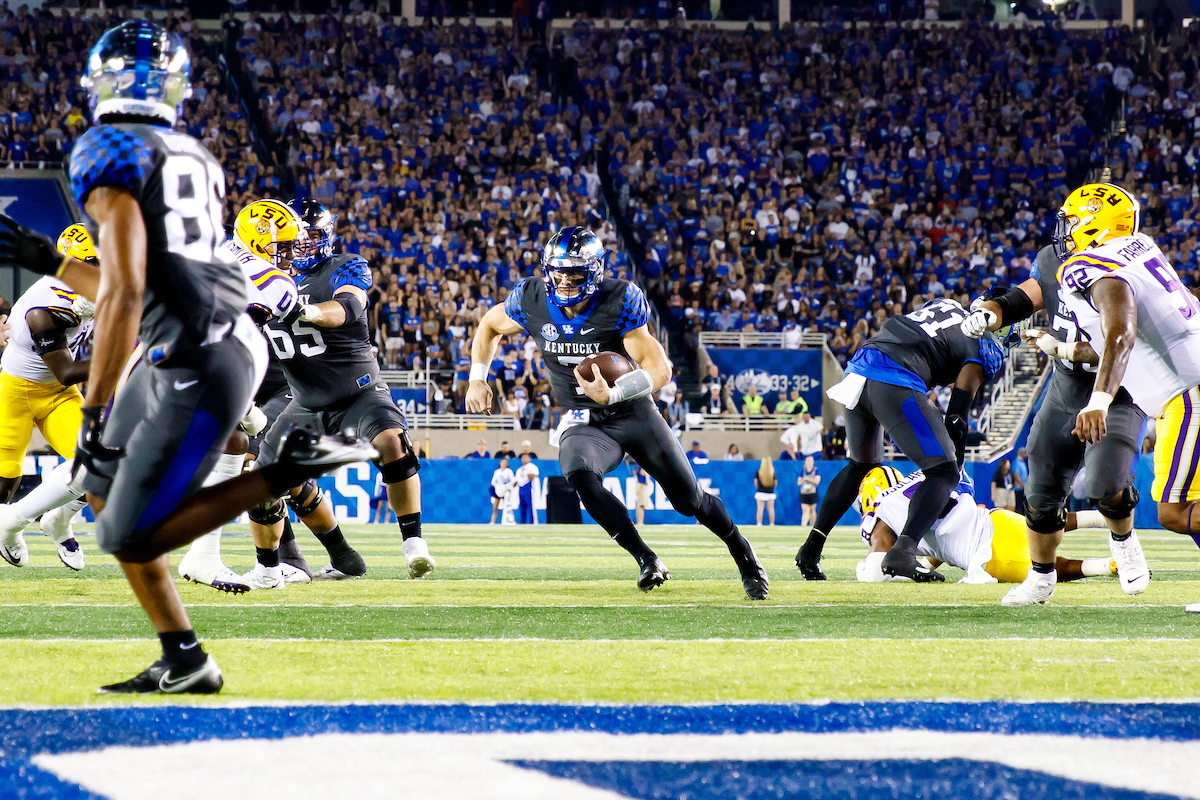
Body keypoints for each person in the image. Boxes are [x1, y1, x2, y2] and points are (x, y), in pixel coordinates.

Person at [0, 20, 374, 694]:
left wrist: (95, 406)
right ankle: (186, 656)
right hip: (207, 335)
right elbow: (140, 283)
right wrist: (44, 258)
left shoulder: (104, 148)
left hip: (201, 348)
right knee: (102, 495)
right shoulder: (196, 155)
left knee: (128, 527)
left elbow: (124, 295)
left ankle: (281, 474)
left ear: (98, 79)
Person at [466, 226, 768, 599]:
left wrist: (615, 392)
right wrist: (477, 378)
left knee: (689, 501)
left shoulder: (619, 300)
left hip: (632, 412)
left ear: (594, 270)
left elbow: (661, 369)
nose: (563, 279)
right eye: (557, 270)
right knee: (578, 471)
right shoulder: (531, 298)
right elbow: (489, 325)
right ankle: (647, 559)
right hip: (586, 418)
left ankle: (744, 553)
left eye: (573, 271)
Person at [960, 184, 1155, 606]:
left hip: (1117, 388)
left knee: (1106, 482)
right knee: (1042, 488)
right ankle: (1041, 577)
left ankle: (1124, 542)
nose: (1062, 230)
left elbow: (1117, 340)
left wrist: (1062, 350)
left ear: (1093, 227)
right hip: (1066, 385)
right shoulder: (1055, 260)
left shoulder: (1121, 270)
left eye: (1072, 222)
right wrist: (990, 315)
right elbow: (1025, 296)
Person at [246, 197, 434, 587]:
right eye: (292, 238)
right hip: (304, 402)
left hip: (358, 392)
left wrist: (305, 310)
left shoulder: (344, 266)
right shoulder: (259, 280)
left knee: (391, 441)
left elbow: (347, 306)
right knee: (260, 483)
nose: (300, 245)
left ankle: (413, 543)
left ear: (327, 236)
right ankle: (268, 569)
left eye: (310, 236)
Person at [796, 291, 1008, 582]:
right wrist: (954, 468)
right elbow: (957, 417)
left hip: (860, 366)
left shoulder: (945, 305)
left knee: (859, 465)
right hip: (894, 375)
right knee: (942, 472)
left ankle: (811, 548)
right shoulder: (983, 343)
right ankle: (903, 551)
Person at [0, 225, 95, 570]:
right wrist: (125, 355)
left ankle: (59, 521)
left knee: (95, 463)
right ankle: (8, 531)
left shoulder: (83, 294)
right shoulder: (45, 309)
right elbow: (67, 371)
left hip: (58, 395)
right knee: (5, 476)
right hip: (19, 389)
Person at [855, 467, 1117, 584]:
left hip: (989, 555)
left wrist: (861, 569)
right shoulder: (923, 477)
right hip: (997, 519)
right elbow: (939, 544)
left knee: (1047, 567)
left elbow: (876, 574)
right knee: (1041, 524)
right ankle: (1101, 518)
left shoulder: (884, 509)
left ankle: (1104, 566)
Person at [514, 451, 540, 524]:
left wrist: (525, 472)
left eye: (525, 457)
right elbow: (516, 480)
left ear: (529, 459)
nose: (524, 459)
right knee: (522, 507)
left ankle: (533, 522)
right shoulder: (519, 469)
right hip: (521, 489)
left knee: (530, 506)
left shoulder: (532, 467)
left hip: (529, 489)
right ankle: (522, 522)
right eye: (523, 458)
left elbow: (532, 477)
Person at [489, 456, 514, 524]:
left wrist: (507, 487)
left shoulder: (509, 471)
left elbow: (512, 481)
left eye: (505, 462)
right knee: (495, 507)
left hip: (505, 491)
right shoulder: (497, 472)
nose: (503, 464)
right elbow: (493, 482)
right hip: (498, 490)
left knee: (506, 506)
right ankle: (492, 521)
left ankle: (507, 520)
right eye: (502, 462)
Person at [799, 455, 821, 526]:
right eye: (807, 460)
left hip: (812, 493)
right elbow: (799, 482)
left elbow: (817, 481)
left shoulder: (815, 470)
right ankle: (803, 525)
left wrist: (807, 479)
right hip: (804, 493)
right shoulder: (803, 471)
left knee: (812, 510)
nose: (809, 462)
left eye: (810, 460)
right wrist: (804, 480)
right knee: (806, 510)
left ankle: (813, 525)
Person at [755, 458, 776, 525]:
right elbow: (775, 483)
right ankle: (772, 524)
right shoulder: (772, 472)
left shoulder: (759, 472)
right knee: (771, 509)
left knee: (760, 509)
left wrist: (759, 487)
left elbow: (755, 482)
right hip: (770, 492)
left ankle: (759, 523)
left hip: (761, 492)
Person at [1012, 447, 1029, 512]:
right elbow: (1017, 476)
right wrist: (1023, 485)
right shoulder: (1016, 462)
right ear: (1021, 453)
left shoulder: (1022, 462)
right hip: (1018, 489)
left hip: (1023, 487)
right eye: (1024, 453)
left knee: (1023, 506)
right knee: (1019, 506)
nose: (1026, 454)